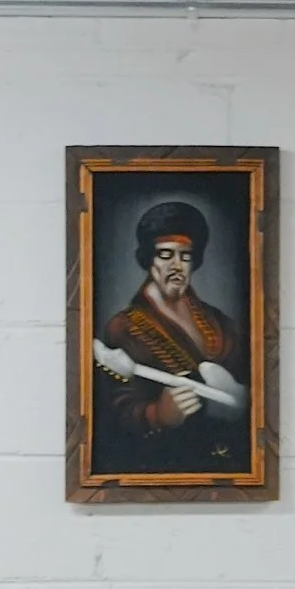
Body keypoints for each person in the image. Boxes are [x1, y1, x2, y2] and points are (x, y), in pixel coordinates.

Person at [94, 198, 249, 477]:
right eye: (166, 255)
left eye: (185, 256)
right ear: (149, 260)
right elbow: (113, 410)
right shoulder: (123, 327)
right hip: (166, 462)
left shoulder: (220, 321)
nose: (177, 265)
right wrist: (157, 414)